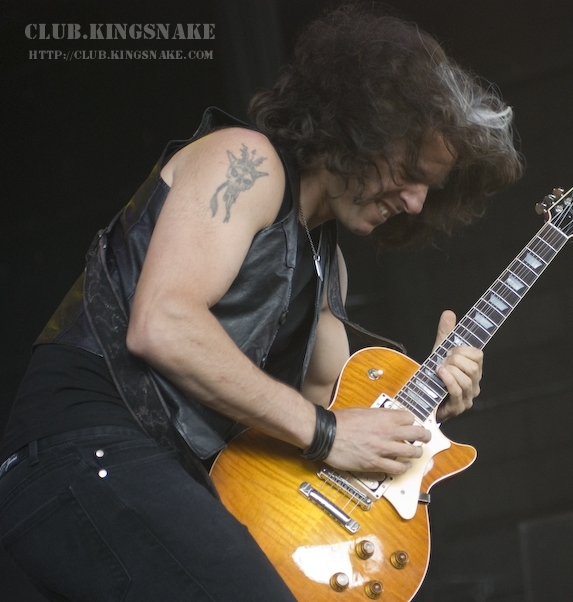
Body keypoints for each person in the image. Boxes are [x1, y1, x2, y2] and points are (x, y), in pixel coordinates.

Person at [0, 5, 523, 601]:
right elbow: (164, 324)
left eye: (430, 188)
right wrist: (328, 431)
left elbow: (327, 410)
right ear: (360, 128)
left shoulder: (329, 266)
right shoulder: (245, 162)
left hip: (163, 471)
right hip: (80, 444)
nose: (415, 202)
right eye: (409, 171)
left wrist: (426, 403)